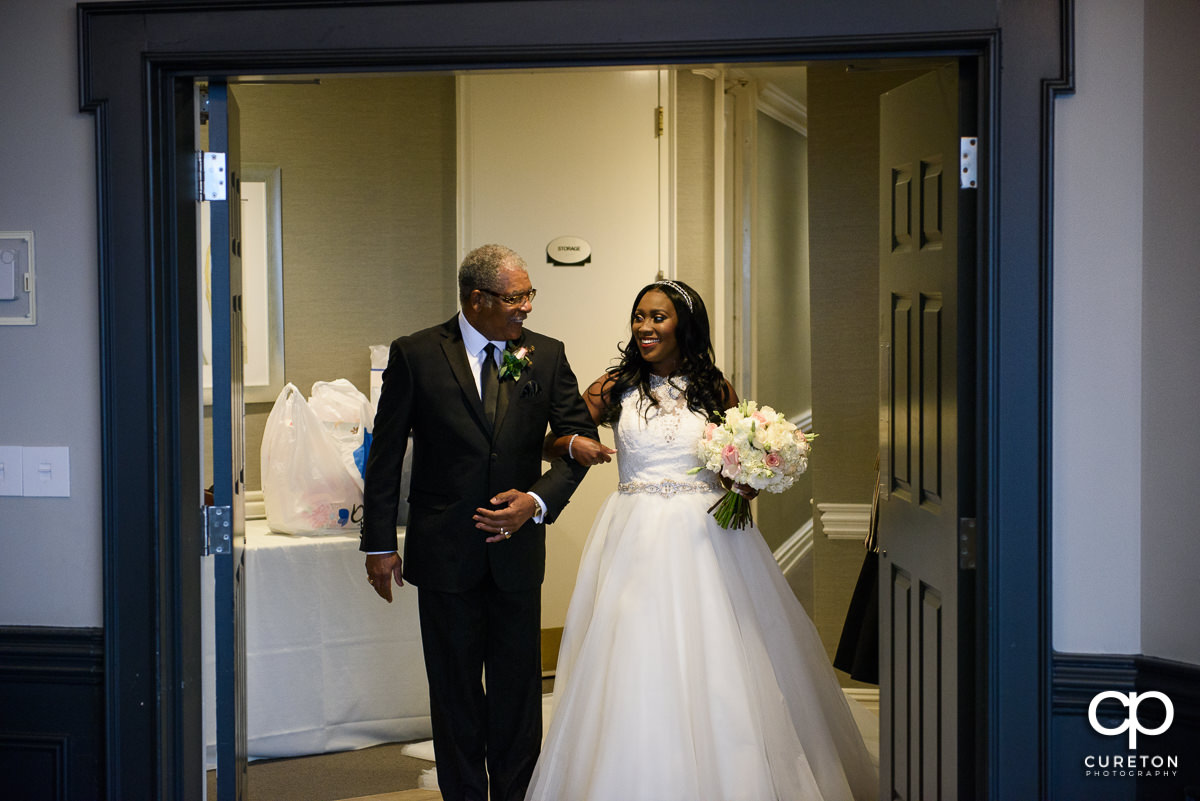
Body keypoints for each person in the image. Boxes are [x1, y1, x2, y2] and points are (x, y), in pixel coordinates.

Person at [525, 280, 878, 801]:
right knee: (632, 648)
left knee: (724, 650)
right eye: (638, 317)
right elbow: (550, 434)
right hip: (635, 530)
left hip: (710, 536)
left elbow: (741, 470)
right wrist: (577, 442)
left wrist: (750, 473)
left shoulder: (716, 390)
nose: (645, 328)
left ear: (683, 326)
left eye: (658, 318)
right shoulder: (615, 386)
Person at [360, 244, 599, 801]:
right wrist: (378, 544)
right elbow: (387, 454)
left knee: (518, 694)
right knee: (454, 693)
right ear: (477, 298)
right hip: (445, 552)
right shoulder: (416, 353)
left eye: (529, 295)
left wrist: (535, 502)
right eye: (516, 298)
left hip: (517, 555)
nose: (527, 309)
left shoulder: (546, 354)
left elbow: (573, 445)